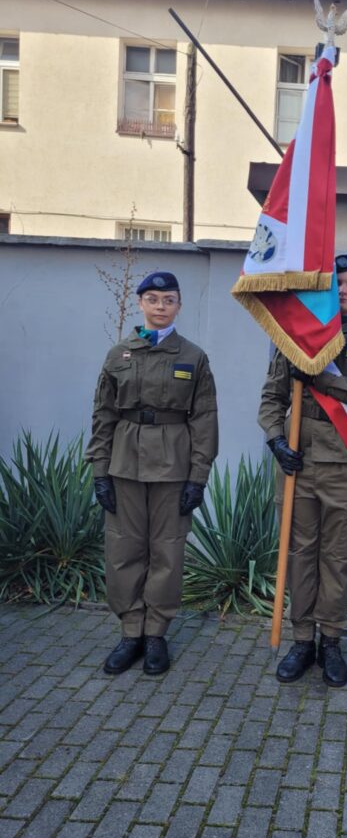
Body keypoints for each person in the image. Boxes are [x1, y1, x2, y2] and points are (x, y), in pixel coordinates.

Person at [258, 253, 347, 687]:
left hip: (345, 467)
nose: (344, 290)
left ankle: (330, 640)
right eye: (336, 283)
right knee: (299, 556)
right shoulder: (294, 336)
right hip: (298, 462)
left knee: (337, 558)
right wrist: (276, 439)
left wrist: (321, 378)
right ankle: (302, 640)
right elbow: (272, 397)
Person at [86, 271, 218, 676]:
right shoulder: (118, 355)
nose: (161, 307)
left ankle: (156, 632)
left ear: (179, 306)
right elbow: (103, 415)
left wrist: (198, 477)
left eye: (169, 300)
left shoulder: (193, 357)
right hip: (124, 462)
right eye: (154, 299)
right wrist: (100, 471)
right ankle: (131, 632)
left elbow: (205, 420)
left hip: (173, 465)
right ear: (141, 303)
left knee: (167, 550)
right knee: (123, 549)